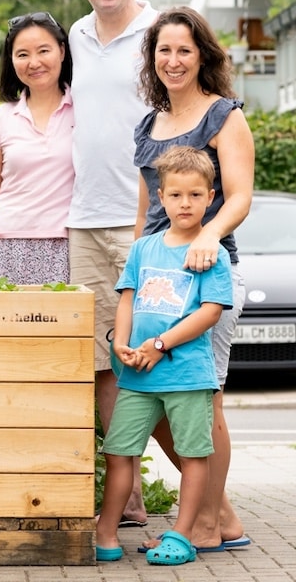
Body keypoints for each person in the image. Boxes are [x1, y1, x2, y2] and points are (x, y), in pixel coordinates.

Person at [134, 7, 254, 552]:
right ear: (152, 58)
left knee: (205, 402)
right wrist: (131, 277)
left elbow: (241, 195)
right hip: (156, 280)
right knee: (155, 396)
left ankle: (205, 524)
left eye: (184, 50)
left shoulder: (224, 116)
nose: (174, 60)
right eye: (164, 50)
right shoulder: (148, 124)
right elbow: (145, 213)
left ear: (202, 54)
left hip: (207, 273)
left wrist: (209, 234)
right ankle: (219, 511)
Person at [95, 145, 233, 565]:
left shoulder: (213, 254)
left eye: (195, 195)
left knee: (192, 456)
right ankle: (105, 534)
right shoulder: (143, 249)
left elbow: (209, 312)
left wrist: (159, 345)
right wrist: (121, 342)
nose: (185, 203)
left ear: (210, 198)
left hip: (187, 376)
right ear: (160, 196)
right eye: (175, 195)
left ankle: (181, 534)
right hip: (137, 376)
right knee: (120, 453)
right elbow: (127, 299)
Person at [67, 0, 159, 526]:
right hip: (82, 221)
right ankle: (128, 495)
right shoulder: (72, 35)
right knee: (102, 363)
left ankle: (208, 502)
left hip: (143, 224)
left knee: (156, 359)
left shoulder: (163, 33)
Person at [0, 11, 74, 284]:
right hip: (1, 247)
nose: (34, 62)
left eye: (43, 51)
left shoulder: (85, 111)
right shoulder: (0, 118)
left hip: (64, 248)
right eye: (22, 54)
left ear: (62, 51)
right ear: (11, 60)